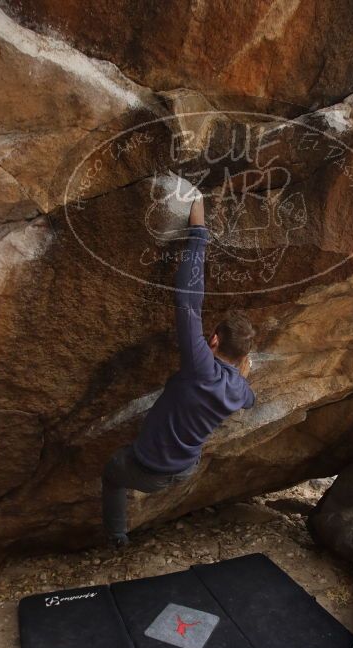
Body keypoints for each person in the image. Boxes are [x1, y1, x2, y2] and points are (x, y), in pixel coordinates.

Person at [102, 193, 256, 545]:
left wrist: (198, 231)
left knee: (112, 474)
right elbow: (248, 397)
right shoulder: (240, 392)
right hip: (185, 471)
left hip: (148, 470)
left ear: (213, 341)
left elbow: (189, 302)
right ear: (243, 358)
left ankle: (116, 536)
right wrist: (243, 377)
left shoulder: (202, 367)